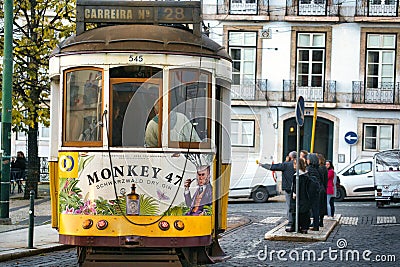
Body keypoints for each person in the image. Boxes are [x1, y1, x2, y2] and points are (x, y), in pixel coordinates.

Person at [259, 151, 296, 231]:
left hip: (289, 188)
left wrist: (262, 165)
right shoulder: (299, 164)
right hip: (298, 188)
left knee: (289, 206)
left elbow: (273, 167)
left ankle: (291, 222)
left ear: (290, 157)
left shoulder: (286, 164)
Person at [290, 157, 311, 233]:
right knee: (303, 212)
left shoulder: (298, 175)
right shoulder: (305, 173)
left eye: (295, 164)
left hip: (300, 197)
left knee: (297, 212)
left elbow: (296, 186)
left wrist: (294, 193)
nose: (294, 165)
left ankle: (297, 227)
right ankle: (303, 227)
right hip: (305, 196)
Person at [306, 153, 322, 231]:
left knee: (311, 209)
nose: (307, 160)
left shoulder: (309, 169)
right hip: (317, 191)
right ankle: (316, 225)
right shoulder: (318, 168)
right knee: (316, 209)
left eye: (308, 159)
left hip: (311, 191)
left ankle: (312, 225)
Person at [317, 153, 328, 226]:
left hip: (319, 189)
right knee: (322, 205)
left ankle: (318, 221)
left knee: (318, 206)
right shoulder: (324, 168)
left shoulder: (319, 168)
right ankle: (321, 220)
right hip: (323, 188)